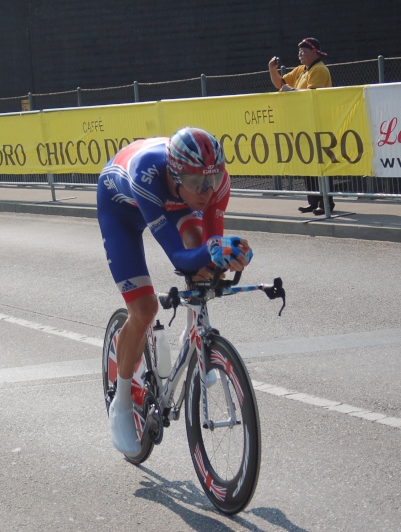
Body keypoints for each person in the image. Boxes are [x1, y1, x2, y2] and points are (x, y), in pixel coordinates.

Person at [96, 127, 252, 457]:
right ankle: (121, 404)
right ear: (175, 173)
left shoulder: (213, 184)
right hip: (121, 208)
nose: (208, 191)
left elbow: (211, 245)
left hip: (175, 203)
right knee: (145, 309)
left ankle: (194, 337)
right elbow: (179, 258)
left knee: (205, 260)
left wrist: (229, 256)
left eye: (213, 179)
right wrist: (216, 251)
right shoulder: (147, 172)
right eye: (197, 182)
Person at [268, 37, 335, 215]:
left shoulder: (319, 69)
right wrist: (272, 70)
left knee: (321, 164)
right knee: (308, 164)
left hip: (318, 123)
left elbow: (312, 95)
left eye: (303, 51)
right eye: (299, 52)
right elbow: (280, 84)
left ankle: (326, 202)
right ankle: (313, 200)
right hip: (305, 124)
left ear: (314, 52)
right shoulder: (301, 70)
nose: (300, 55)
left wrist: (292, 92)